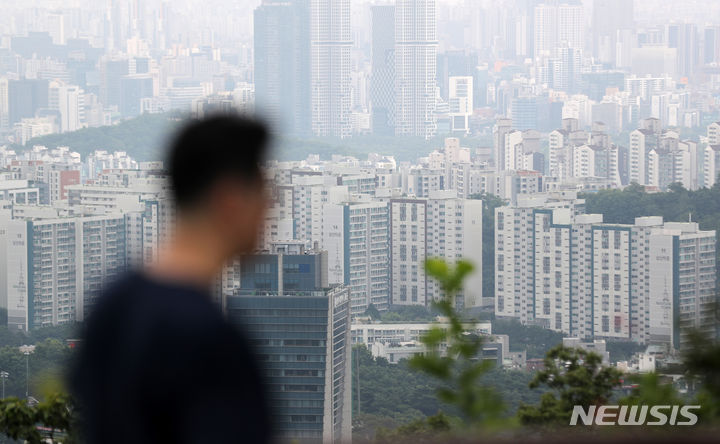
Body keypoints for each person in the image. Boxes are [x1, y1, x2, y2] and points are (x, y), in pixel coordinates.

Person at [71, 116, 272, 443]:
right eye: (266, 195)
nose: (270, 210)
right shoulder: (211, 339)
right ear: (231, 200)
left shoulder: (112, 301)